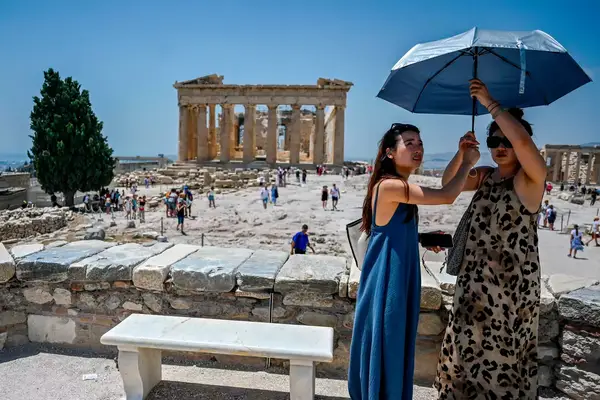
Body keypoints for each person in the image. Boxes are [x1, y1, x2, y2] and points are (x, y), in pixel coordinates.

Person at [348, 122, 479, 400]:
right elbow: (447, 195)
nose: (417, 148)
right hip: (388, 279)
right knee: (389, 343)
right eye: (409, 143)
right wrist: (467, 162)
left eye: (419, 143)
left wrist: (418, 239)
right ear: (389, 153)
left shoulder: (396, 186)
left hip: (397, 272)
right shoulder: (389, 186)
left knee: (394, 344)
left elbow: (390, 230)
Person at [435, 80, 546, 399]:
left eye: (506, 140)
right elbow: (449, 184)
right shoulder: (485, 175)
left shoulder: (529, 180)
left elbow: (525, 145)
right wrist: (462, 156)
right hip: (473, 286)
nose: (500, 145)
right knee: (464, 358)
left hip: (511, 292)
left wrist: (491, 105)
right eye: (494, 139)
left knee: (502, 363)